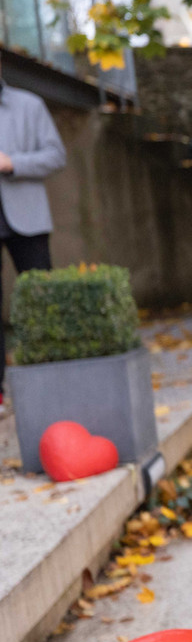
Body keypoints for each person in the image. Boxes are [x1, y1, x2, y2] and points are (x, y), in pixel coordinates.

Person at [0, 57, 67, 404]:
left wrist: (13, 163)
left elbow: (56, 155)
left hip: (26, 218)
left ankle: (55, 375)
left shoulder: (29, 104)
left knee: (42, 297)